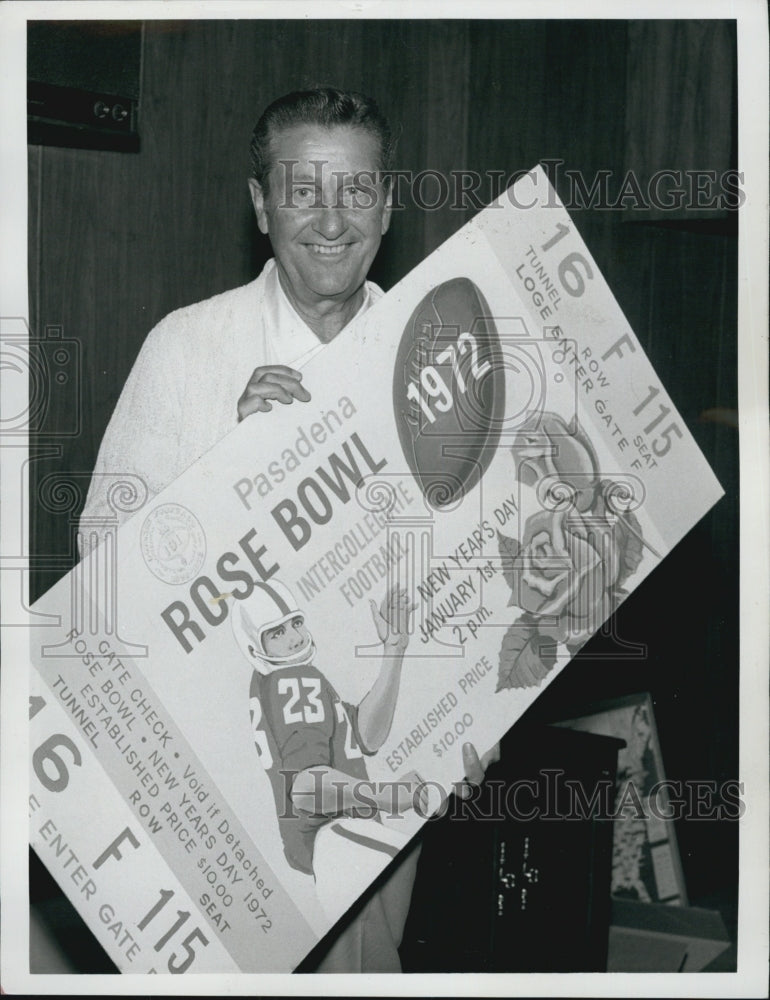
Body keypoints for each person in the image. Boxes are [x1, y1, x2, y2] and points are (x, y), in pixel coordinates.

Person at [80, 86, 499, 972]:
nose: (331, 219)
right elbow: (101, 562)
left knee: (359, 973)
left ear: (388, 205)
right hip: (218, 766)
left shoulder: (434, 357)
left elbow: (472, 569)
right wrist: (222, 477)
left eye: (355, 191)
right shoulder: (186, 350)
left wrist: (479, 707)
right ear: (260, 202)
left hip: (380, 768)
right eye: (302, 189)